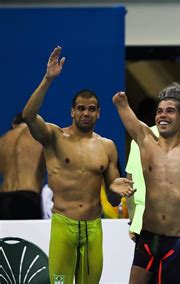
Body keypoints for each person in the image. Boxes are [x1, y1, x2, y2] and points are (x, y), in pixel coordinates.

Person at [22, 46, 134, 284]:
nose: (86, 113)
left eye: (91, 109)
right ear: (72, 111)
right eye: (81, 108)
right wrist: (48, 79)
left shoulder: (107, 146)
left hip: (94, 227)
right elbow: (29, 116)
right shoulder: (54, 137)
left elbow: (114, 199)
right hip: (64, 224)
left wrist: (116, 191)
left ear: (99, 114)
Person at [113, 77, 180, 283]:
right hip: (148, 235)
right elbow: (123, 109)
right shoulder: (145, 141)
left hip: (176, 240)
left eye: (170, 111)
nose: (162, 115)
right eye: (159, 111)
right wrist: (120, 102)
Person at [0, 114, 45, 219]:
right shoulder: (38, 137)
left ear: (14, 124)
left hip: (2, 198)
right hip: (27, 198)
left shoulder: (3, 140)